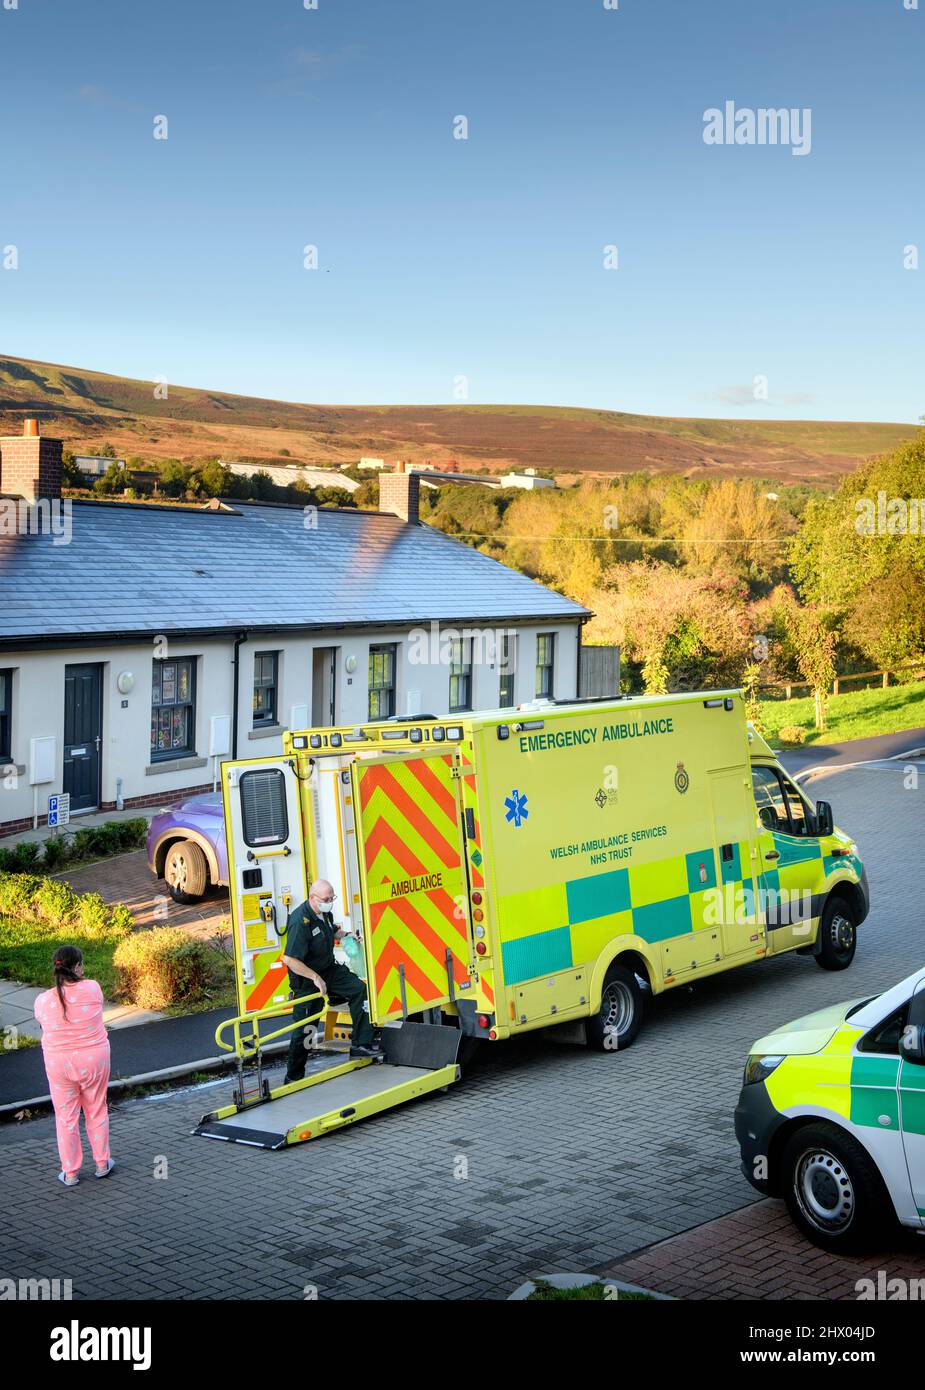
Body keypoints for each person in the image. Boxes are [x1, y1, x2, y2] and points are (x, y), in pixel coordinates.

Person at [282, 879, 379, 1082]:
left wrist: (346, 935)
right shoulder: (301, 921)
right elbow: (289, 959)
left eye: (331, 898)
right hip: (307, 979)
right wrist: (315, 978)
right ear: (312, 898)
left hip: (328, 969)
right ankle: (293, 1076)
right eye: (326, 899)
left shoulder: (323, 912)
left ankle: (360, 1045)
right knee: (307, 1027)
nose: (329, 902)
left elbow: (331, 929)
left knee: (358, 990)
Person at [34, 945, 114, 1187]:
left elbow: (44, 1025)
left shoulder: (43, 1000)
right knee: (96, 1109)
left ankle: (70, 1172)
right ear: (77, 966)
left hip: (59, 1063)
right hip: (94, 1059)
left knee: (66, 1118)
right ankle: (102, 1163)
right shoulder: (93, 988)